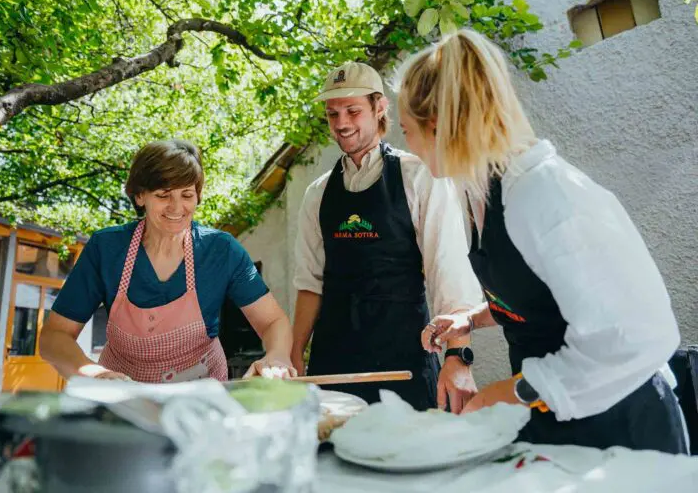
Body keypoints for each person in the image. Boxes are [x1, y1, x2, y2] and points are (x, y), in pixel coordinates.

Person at [398, 29, 687, 453]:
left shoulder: (546, 193)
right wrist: (473, 320)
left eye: (406, 130)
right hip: (557, 426)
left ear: (438, 128)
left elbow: (633, 339)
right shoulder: (479, 191)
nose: (406, 145)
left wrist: (507, 393)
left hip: (623, 430)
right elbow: (543, 293)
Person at [292, 62, 483, 411]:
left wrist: (459, 355)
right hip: (333, 366)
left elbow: (448, 270)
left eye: (353, 111)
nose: (342, 124)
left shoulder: (420, 176)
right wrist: (293, 355)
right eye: (333, 114)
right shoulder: (317, 194)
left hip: (405, 358)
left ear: (380, 107)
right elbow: (309, 284)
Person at [40, 140, 295, 382]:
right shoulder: (106, 249)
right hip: (123, 394)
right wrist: (94, 374)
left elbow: (273, 321)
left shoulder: (221, 250)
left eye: (187, 195)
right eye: (163, 195)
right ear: (140, 196)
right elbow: (55, 336)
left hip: (200, 394)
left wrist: (277, 356)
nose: (177, 208)